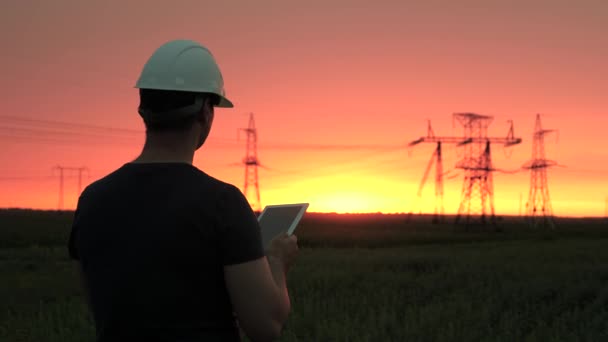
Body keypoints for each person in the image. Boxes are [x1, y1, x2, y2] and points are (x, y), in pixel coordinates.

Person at [68, 39, 299, 342]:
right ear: (206, 111)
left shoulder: (92, 200)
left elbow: (101, 306)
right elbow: (266, 326)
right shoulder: (223, 204)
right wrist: (277, 261)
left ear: (143, 109)